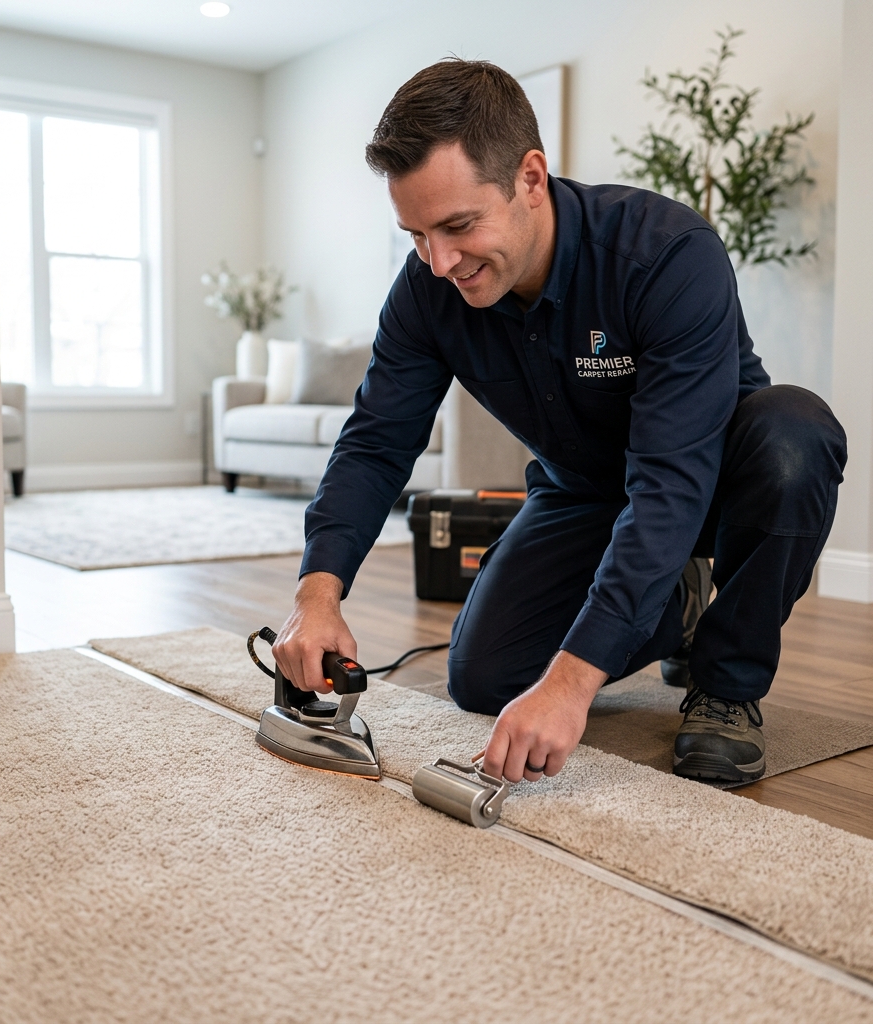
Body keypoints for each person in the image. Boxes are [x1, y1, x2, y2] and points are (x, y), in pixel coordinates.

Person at [272, 59, 847, 785]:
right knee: (483, 678)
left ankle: (725, 682)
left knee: (796, 434)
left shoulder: (665, 254)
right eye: (416, 234)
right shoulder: (427, 289)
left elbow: (670, 485)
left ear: (531, 179)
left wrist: (574, 683)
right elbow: (376, 440)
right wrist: (316, 594)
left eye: (457, 225)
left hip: (711, 483)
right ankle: (680, 602)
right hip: (582, 494)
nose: (440, 260)